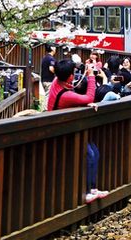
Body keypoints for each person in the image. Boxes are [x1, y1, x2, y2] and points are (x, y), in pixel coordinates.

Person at [47, 59, 108, 203]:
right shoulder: (66, 95)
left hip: (66, 128)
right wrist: (91, 76)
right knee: (90, 154)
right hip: (62, 133)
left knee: (94, 151)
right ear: (69, 76)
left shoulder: (58, 82)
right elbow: (89, 97)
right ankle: (87, 191)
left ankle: (92, 188)